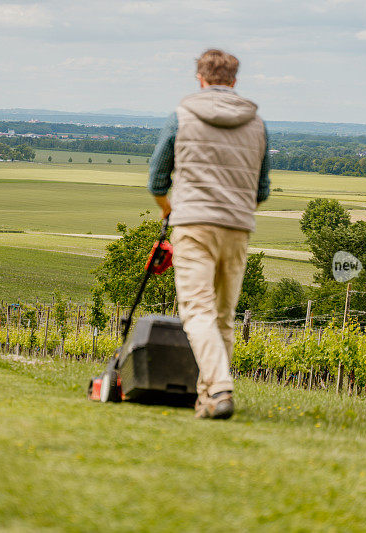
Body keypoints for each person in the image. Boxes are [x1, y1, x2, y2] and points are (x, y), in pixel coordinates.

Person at [148, 49, 270, 419]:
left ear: (200, 79)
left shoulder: (181, 117)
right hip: (238, 227)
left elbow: (156, 178)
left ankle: (218, 387)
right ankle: (208, 398)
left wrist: (169, 209)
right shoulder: (258, 124)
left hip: (193, 224)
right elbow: (261, 191)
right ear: (234, 81)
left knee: (197, 310)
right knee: (223, 316)